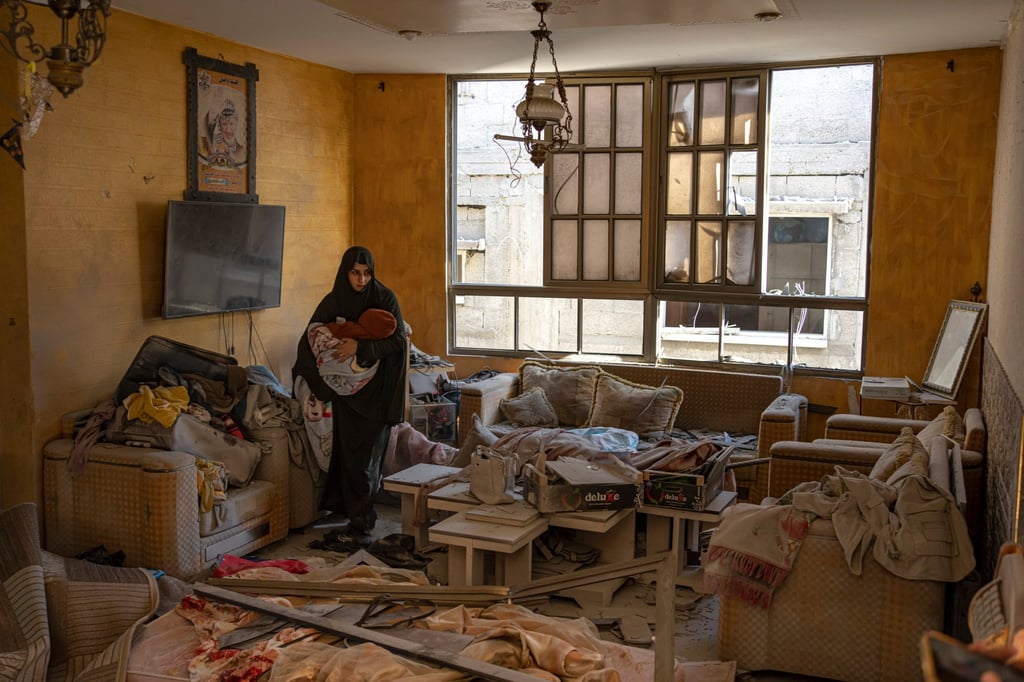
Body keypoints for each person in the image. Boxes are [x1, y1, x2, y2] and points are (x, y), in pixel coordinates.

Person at [292, 246, 408, 541]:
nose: (361, 280)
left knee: (368, 462)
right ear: (346, 273)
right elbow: (309, 339)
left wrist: (360, 347)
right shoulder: (334, 300)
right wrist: (322, 388)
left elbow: (398, 342)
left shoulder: (384, 297)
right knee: (348, 459)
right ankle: (353, 517)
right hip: (346, 395)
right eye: (355, 273)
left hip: (377, 394)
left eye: (367, 273)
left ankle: (362, 523)